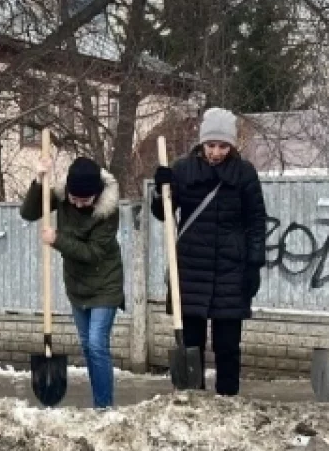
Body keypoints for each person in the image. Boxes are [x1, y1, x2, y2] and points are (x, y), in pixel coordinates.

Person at [151, 107, 266, 396]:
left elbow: (256, 222)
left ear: (233, 145)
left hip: (231, 270)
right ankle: (192, 400)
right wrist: (160, 189)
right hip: (191, 269)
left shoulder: (244, 174)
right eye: (211, 145)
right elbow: (163, 212)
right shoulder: (182, 170)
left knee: (227, 346)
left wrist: (254, 264)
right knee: (191, 344)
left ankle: (228, 402)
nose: (216, 152)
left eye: (223, 146)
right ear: (202, 142)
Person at [20, 155, 125, 408]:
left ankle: (104, 406)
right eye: (74, 198)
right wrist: (39, 180)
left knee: (97, 344)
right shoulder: (62, 196)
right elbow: (29, 213)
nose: (78, 204)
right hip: (77, 286)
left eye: (85, 200)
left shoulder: (108, 212)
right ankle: (99, 400)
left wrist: (57, 239)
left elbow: (92, 253)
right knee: (87, 346)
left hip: (105, 284)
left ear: (97, 195)